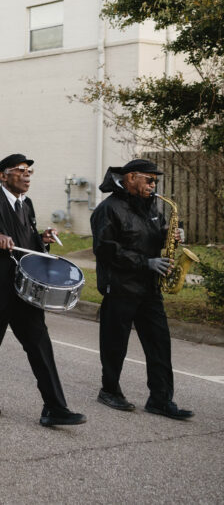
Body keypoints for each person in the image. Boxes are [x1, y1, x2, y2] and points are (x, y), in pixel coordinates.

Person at [0, 153, 86, 428]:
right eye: (20, 170)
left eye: (29, 172)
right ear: (3, 175)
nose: (27, 175)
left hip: (26, 290)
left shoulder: (27, 205)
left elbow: (28, 244)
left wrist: (42, 240)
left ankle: (55, 407)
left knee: (40, 346)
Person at [90, 159, 194, 420]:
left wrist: (170, 234)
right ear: (131, 177)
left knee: (159, 344)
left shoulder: (150, 205)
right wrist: (145, 262)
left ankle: (160, 399)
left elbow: (150, 234)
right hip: (120, 286)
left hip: (149, 287)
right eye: (149, 179)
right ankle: (109, 390)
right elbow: (105, 250)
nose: (153, 184)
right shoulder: (108, 209)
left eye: (155, 180)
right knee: (115, 344)